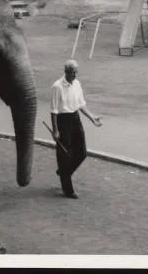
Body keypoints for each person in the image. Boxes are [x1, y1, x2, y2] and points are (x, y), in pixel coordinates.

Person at [50, 59, 102, 199]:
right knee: (64, 155)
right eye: (73, 72)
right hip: (62, 121)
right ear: (66, 71)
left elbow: (81, 104)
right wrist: (55, 130)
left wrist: (92, 118)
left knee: (81, 153)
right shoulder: (57, 86)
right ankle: (68, 189)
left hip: (75, 118)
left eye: (76, 71)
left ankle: (63, 172)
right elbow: (54, 110)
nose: (75, 74)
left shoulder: (77, 84)